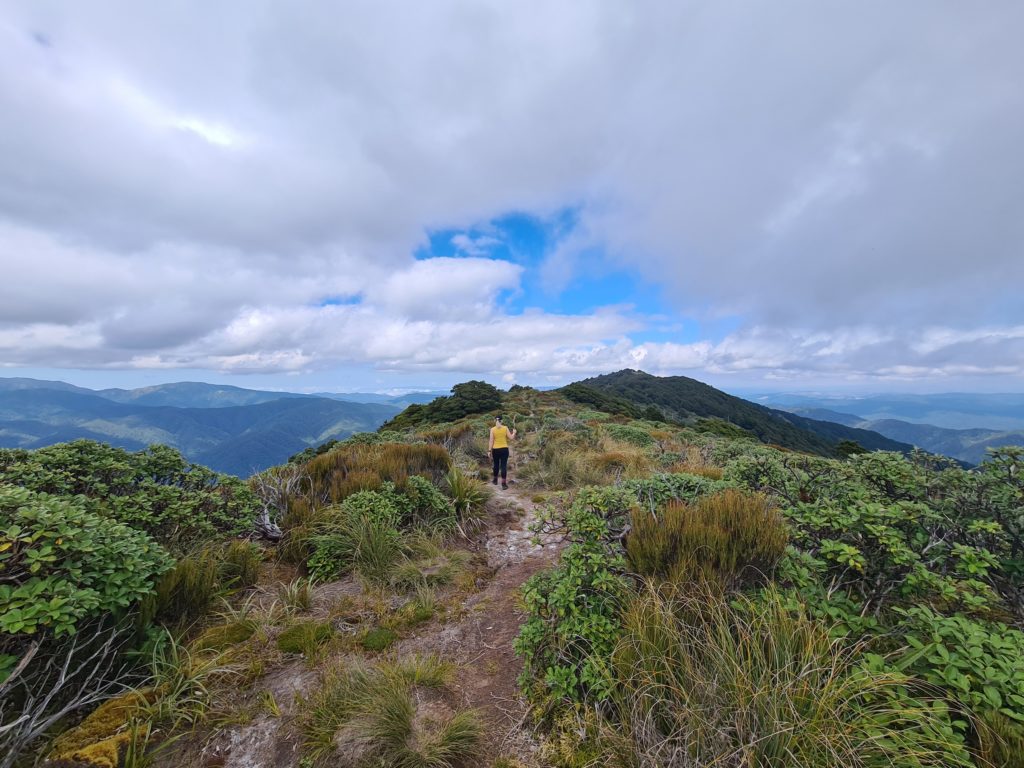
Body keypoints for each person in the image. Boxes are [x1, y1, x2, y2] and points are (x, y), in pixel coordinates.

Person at [487, 415, 516, 489]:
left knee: (496, 465)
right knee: (503, 466)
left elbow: (491, 441)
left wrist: (489, 451)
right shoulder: (505, 428)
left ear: (495, 420)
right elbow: (511, 438)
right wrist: (514, 432)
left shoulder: (492, 429)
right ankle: (503, 484)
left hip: (495, 449)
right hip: (504, 449)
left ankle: (495, 480)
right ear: (502, 421)